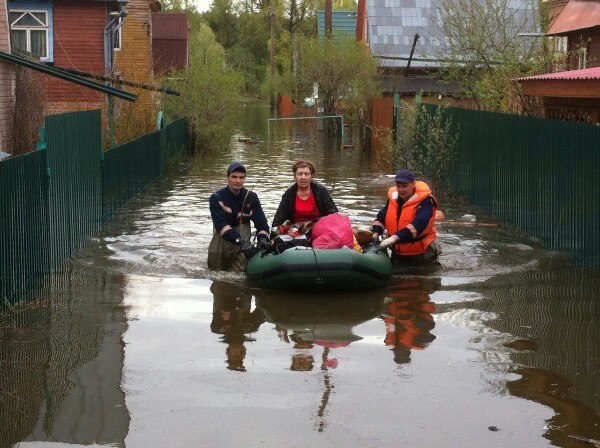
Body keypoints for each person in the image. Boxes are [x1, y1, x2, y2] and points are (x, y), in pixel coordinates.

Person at [208, 162, 270, 271]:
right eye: (234, 177)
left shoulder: (252, 197)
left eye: (241, 177)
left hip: (243, 246)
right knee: (216, 276)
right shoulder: (216, 198)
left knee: (238, 279)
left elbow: (262, 225)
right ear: (227, 178)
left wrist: (262, 239)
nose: (238, 181)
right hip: (222, 242)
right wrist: (240, 242)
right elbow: (221, 225)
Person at [372, 169, 441, 265]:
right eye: (398, 186)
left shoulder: (425, 200)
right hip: (398, 252)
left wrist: (394, 238)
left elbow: (420, 222)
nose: (401, 190)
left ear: (413, 184)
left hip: (423, 253)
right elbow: (382, 217)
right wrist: (375, 233)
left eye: (404, 186)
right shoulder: (393, 198)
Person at [271, 160, 338, 230]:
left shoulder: (320, 191)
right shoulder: (288, 196)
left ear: (311, 177)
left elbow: (334, 214)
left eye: (306, 174)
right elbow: (276, 223)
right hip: (296, 233)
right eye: (300, 174)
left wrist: (314, 224)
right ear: (295, 177)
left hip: (319, 230)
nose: (303, 177)